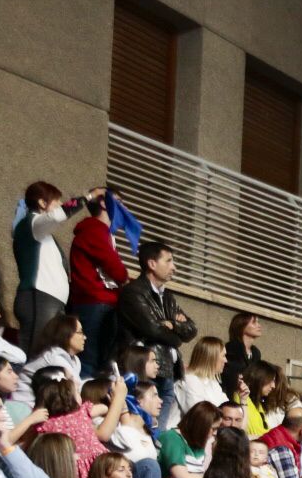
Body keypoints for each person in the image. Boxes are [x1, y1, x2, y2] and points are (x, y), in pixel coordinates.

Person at [116, 238, 197, 426]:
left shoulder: (167, 297)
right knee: (143, 425)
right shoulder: (134, 292)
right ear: (152, 264)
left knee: (157, 428)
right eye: (168, 261)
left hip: (168, 370)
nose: (174, 267)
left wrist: (172, 325)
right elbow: (152, 330)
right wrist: (175, 336)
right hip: (146, 369)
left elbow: (191, 329)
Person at [13, 182, 92, 351]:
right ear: (42, 203)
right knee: (36, 350)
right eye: (57, 202)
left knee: (49, 352)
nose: (60, 207)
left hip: (54, 301)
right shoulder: (31, 223)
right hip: (39, 297)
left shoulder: (44, 234)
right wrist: (89, 197)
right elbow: (56, 216)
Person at [67, 191, 127, 376]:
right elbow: (116, 269)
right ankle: (87, 402)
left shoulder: (103, 233)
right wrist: (124, 277)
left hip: (101, 302)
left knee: (100, 361)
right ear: (103, 203)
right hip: (95, 301)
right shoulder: (94, 230)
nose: (123, 208)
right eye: (118, 202)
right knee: (90, 360)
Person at [175, 337, 228, 416]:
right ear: (211, 357)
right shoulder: (190, 380)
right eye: (223, 356)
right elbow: (200, 417)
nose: (226, 360)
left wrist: (243, 400)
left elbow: (228, 411)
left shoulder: (213, 383)